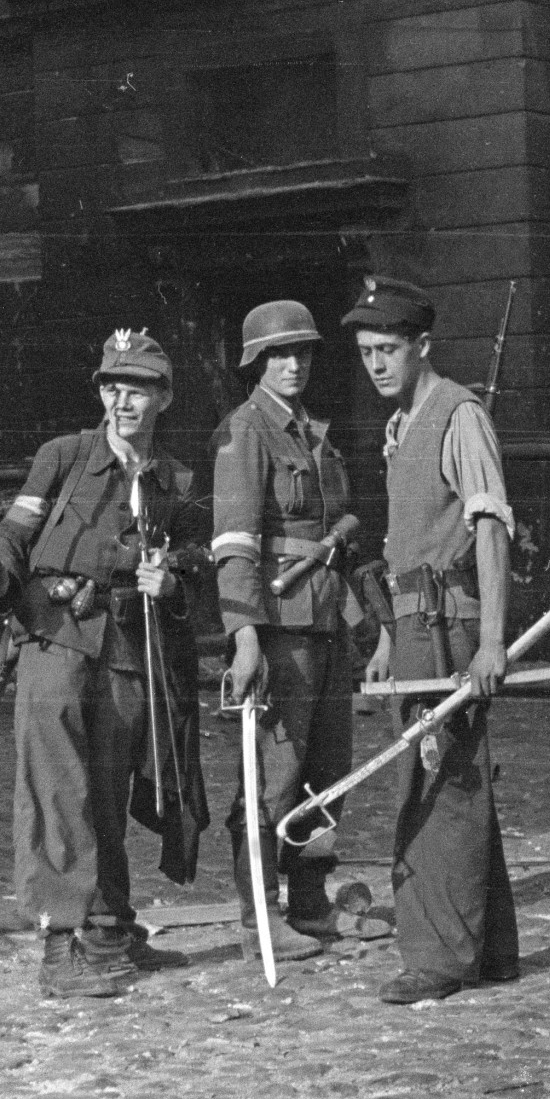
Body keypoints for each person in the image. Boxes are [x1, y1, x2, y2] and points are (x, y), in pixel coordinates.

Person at [0, 329, 209, 998]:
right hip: (55, 640)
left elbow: (200, 566)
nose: (122, 402)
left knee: (105, 791)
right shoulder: (64, 456)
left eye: (137, 390)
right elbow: (13, 534)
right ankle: (59, 948)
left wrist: (175, 581)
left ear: (164, 397)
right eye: (112, 387)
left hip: (127, 649)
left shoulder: (177, 480)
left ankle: (108, 932)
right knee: (57, 791)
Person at [348, 275, 518, 1005]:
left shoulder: (459, 415)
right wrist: (389, 638)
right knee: (450, 776)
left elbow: (491, 529)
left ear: (422, 345)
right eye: (366, 351)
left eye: (388, 349)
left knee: (439, 781)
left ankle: (439, 957)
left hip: (451, 628)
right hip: (413, 625)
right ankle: (490, 947)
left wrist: (492, 641)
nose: (375, 364)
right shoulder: (400, 426)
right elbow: (407, 546)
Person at [211, 300, 359, 966]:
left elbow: (341, 532)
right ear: (257, 363)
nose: (293, 364)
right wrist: (244, 635)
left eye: (301, 351)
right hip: (279, 629)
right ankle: (259, 918)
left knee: (326, 771)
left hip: (327, 621)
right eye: (278, 354)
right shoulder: (245, 431)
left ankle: (308, 898)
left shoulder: (314, 433)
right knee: (273, 774)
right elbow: (234, 543)